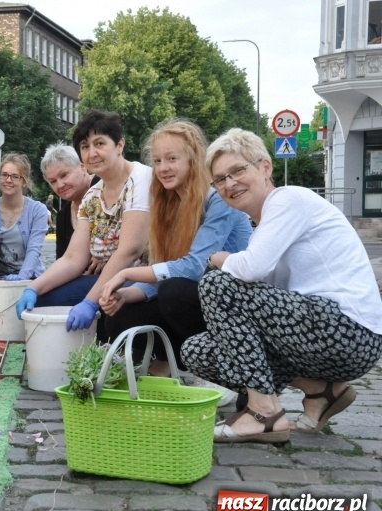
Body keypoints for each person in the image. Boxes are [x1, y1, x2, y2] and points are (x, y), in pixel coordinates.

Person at [181, 128, 382, 444]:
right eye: (220, 179)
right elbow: (257, 306)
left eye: (238, 170)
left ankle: (264, 413)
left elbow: (250, 269)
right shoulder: (263, 225)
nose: (230, 183)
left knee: (218, 284)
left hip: (349, 331)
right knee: (197, 352)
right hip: (321, 334)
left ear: (264, 167)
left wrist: (217, 257)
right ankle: (322, 391)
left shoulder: (288, 199)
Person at [97, 119, 252, 374]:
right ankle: (174, 360)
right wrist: (125, 294)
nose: (163, 168)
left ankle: (221, 370)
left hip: (234, 304)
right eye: (157, 161)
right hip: (193, 296)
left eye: (171, 159)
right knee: (119, 315)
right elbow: (163, 271)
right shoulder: (167, 206)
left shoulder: (218, 201)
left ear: (193, 160)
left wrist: (124, 273)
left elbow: (191, 269)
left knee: (174, 292)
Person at [15, 110, 151, 335]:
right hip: (108, 279)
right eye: (85, 147)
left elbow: (130, 250)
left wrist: (90, 302)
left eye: (100, 143)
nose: (92, 153)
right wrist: (33, 288)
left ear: (119, 145)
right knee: (43, 301)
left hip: (144, 280)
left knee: (97, 302)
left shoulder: (140, 179)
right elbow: (72, 258)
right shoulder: (92, 195)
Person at [0, 153, 47, 281]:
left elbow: (33, 250)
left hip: (30, 278)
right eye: (4, 175)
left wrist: (21, 278)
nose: (8, 180)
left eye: (15, 176)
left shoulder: (37, 210)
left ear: (24, 181)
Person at [40, 143, 100, 260]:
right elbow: (62, 260)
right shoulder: (63, 215)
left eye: (64, 175)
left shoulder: (106, 187)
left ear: (82, 167)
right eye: (53, 181)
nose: (60, 185)